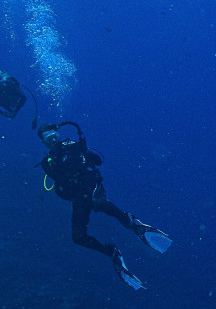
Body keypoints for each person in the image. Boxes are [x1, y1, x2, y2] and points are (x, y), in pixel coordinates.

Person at [36, 121, 171, 289]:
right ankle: (111, 252)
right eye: (48, 138)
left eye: (53, 135)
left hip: (91, 189)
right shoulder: (48, 162)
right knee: (78, 237)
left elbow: (98, 160)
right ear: (43, 142)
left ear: (59, 134)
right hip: (78, 199)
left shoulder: (74, 146)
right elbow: (61, 187)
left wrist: (81, 150)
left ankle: (131, 223)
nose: (52, 140)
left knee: (100, 203)